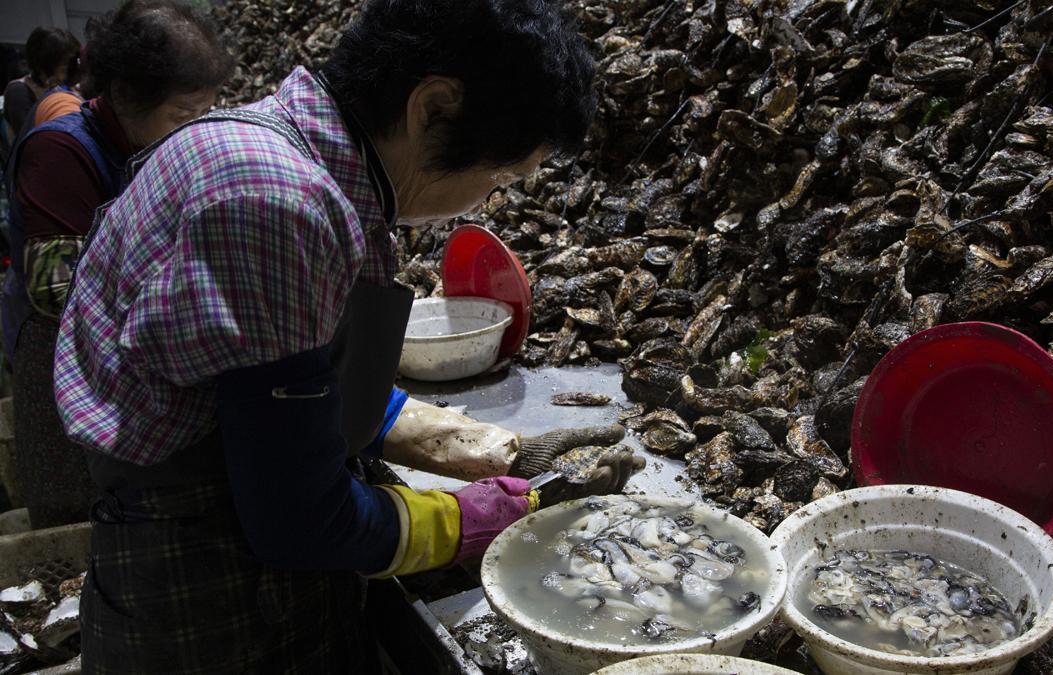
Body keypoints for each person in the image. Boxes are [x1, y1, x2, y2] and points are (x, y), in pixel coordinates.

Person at [55, 0, 643, 671]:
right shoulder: (274, 200)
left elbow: (276, 384)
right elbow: (300, 519)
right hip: (212, 608)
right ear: (435, 108)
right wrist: (469, 519)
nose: (486, 200)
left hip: (231, 566)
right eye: (502, 176)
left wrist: (490, 449)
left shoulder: (267, 147)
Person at [3, 0, 234, 529]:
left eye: (206, 113)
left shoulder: (144, 141)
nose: (196, 130)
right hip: (63, 358)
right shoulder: (60, 151)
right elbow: (55, 285)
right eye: (184, 116)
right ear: (126, 94)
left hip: (127, 351)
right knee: (81, 518)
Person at [3, 27, 81, 140]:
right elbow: (29, 138)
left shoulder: (64, 87)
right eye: (63, 67)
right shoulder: (19, 91)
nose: (65, 75)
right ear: (45, 65)